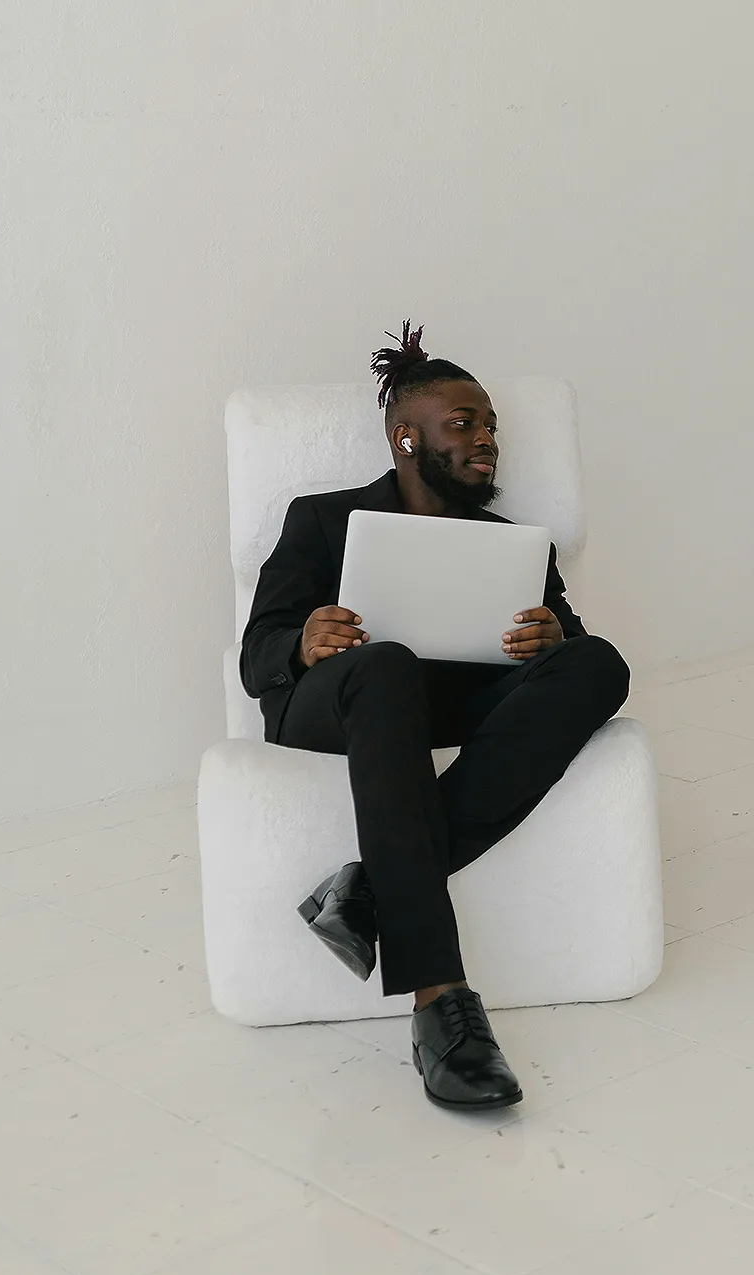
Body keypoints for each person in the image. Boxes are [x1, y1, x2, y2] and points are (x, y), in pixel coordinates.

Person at [240, 323, 630, 1110]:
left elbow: (572, 660)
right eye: (465, 424)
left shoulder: (519, 544)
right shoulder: (321, 519)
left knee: (601, 663)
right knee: (386, 663)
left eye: (491, 425)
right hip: (341, 704)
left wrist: (557, 639)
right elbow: (257, 656)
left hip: (452, 706)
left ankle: (370, 893)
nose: (486, 439)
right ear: (407, 439)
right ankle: (439, 1002)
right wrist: (305, 640)